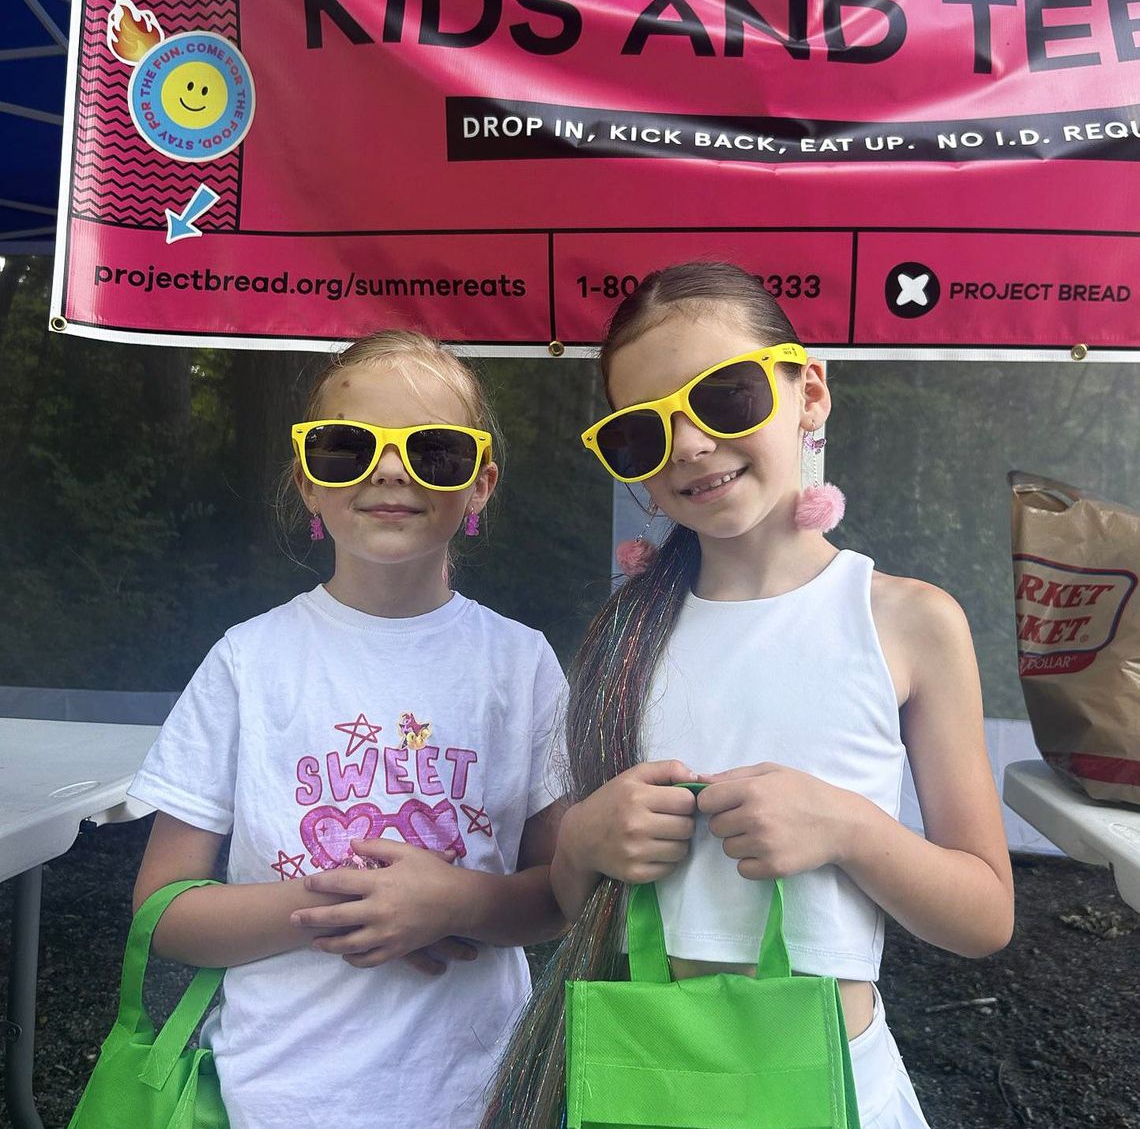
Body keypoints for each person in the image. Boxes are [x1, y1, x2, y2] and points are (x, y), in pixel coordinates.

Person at [483, 261, 1014, 1129]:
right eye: (643, 435)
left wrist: (849, 827)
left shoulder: (909, 622)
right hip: (643, 1090)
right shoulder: (621, 640)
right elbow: (582, 907)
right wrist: (582, 839)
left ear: (808, 392)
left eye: (723, 398)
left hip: (841, 1093)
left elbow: (985, 916)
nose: (689, 444)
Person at [129, 330, 568, 1129]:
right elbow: (164, 912)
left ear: (480, 485)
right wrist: (339, 903)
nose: (391, 470)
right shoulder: (246, 662)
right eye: (348, 447)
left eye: (434, 450)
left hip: (479, 1097)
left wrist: (455, 901)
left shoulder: (523, 666)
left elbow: (560, 897)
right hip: (277, 1097)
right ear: (308, 482)